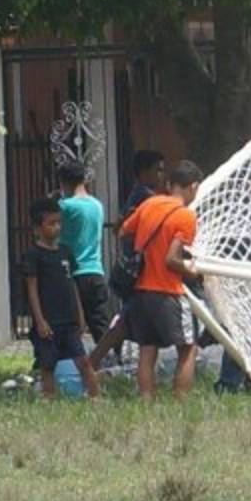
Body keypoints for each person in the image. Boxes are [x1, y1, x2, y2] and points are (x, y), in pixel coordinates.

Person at [120, 160, 204, 399]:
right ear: (193, 187)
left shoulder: (149, 204)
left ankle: (146, 400)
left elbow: (124, 230)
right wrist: (193, 271)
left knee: (147, 350)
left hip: (141, 291)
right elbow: (171, 259)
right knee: (188, 349)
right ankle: (180, 400)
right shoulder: (185, 216)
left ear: (170, 184)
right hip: (168, 292)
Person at [89, 150, 167, 369]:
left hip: (138, 270)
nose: (161, 175)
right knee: (126, 322)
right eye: (157, 170)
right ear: (144, 172)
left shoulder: (140, 195)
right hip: (142, 271)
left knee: (127, 322)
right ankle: (95, 361)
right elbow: (124, 229)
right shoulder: (146, 199)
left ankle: (96, 360)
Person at [22, 198, 101, 399]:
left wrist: (80, 315)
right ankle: (49, 396)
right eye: (51, 223)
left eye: (59, 223)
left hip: (69, 320)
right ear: (37, 228)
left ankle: (96, 396)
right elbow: (32, 289)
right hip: (49, 321)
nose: (56, 228)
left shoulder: (65, 252)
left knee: (82, 360)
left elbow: (72, 284)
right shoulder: (33, 256)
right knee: (48, 365)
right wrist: (39, 320)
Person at [56, 162, 109, 344]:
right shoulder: (97, 205)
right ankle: (111, 358)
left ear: (63, 182)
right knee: (99, 322)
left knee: (69, 323)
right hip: (95, 270)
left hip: (72, 272)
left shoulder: (65, 206)